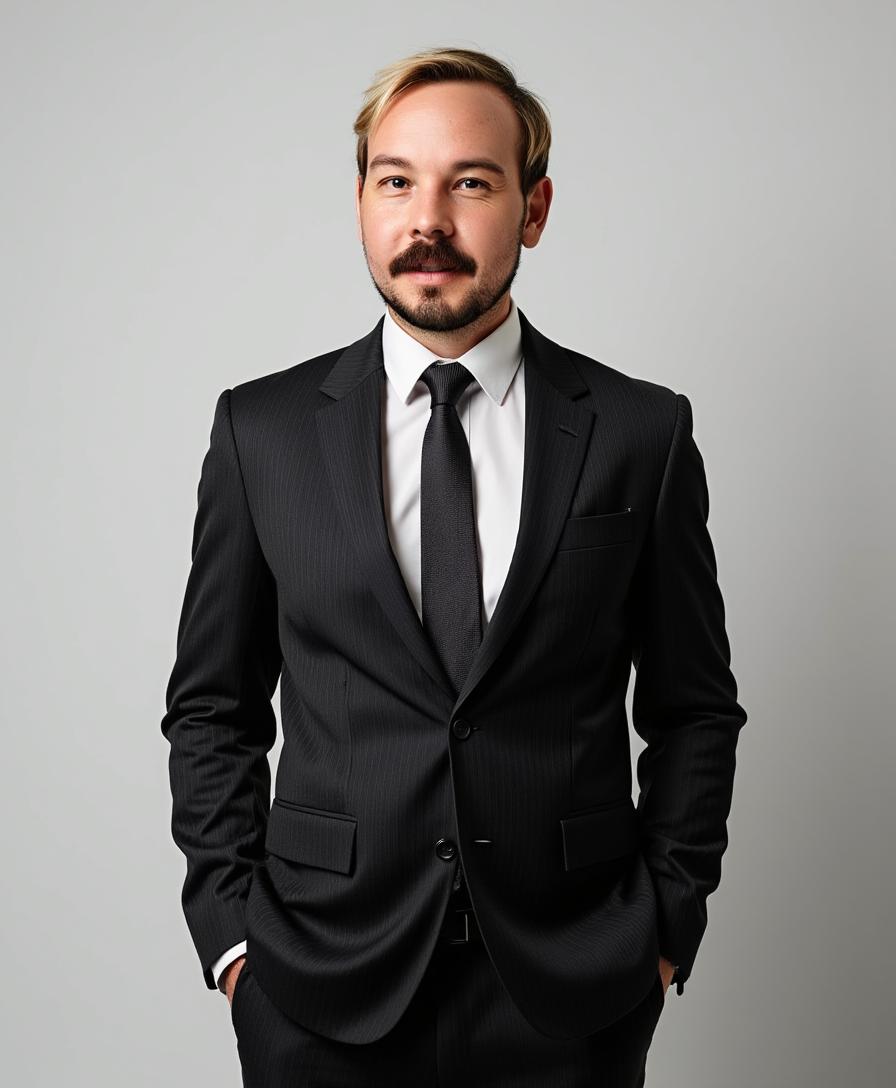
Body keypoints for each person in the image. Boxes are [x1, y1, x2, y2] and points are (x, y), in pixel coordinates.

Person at [161, 45, 747, 1087]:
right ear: (359, 201)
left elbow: (694, 706)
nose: (426, 220)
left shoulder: (638, 432)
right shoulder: (263, 432)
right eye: (396, 182)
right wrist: (233, 941)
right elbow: (213, 706)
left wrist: (663, 925)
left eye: (470, 183)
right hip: (316, 984)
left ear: (534, 207)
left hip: (570, 991)